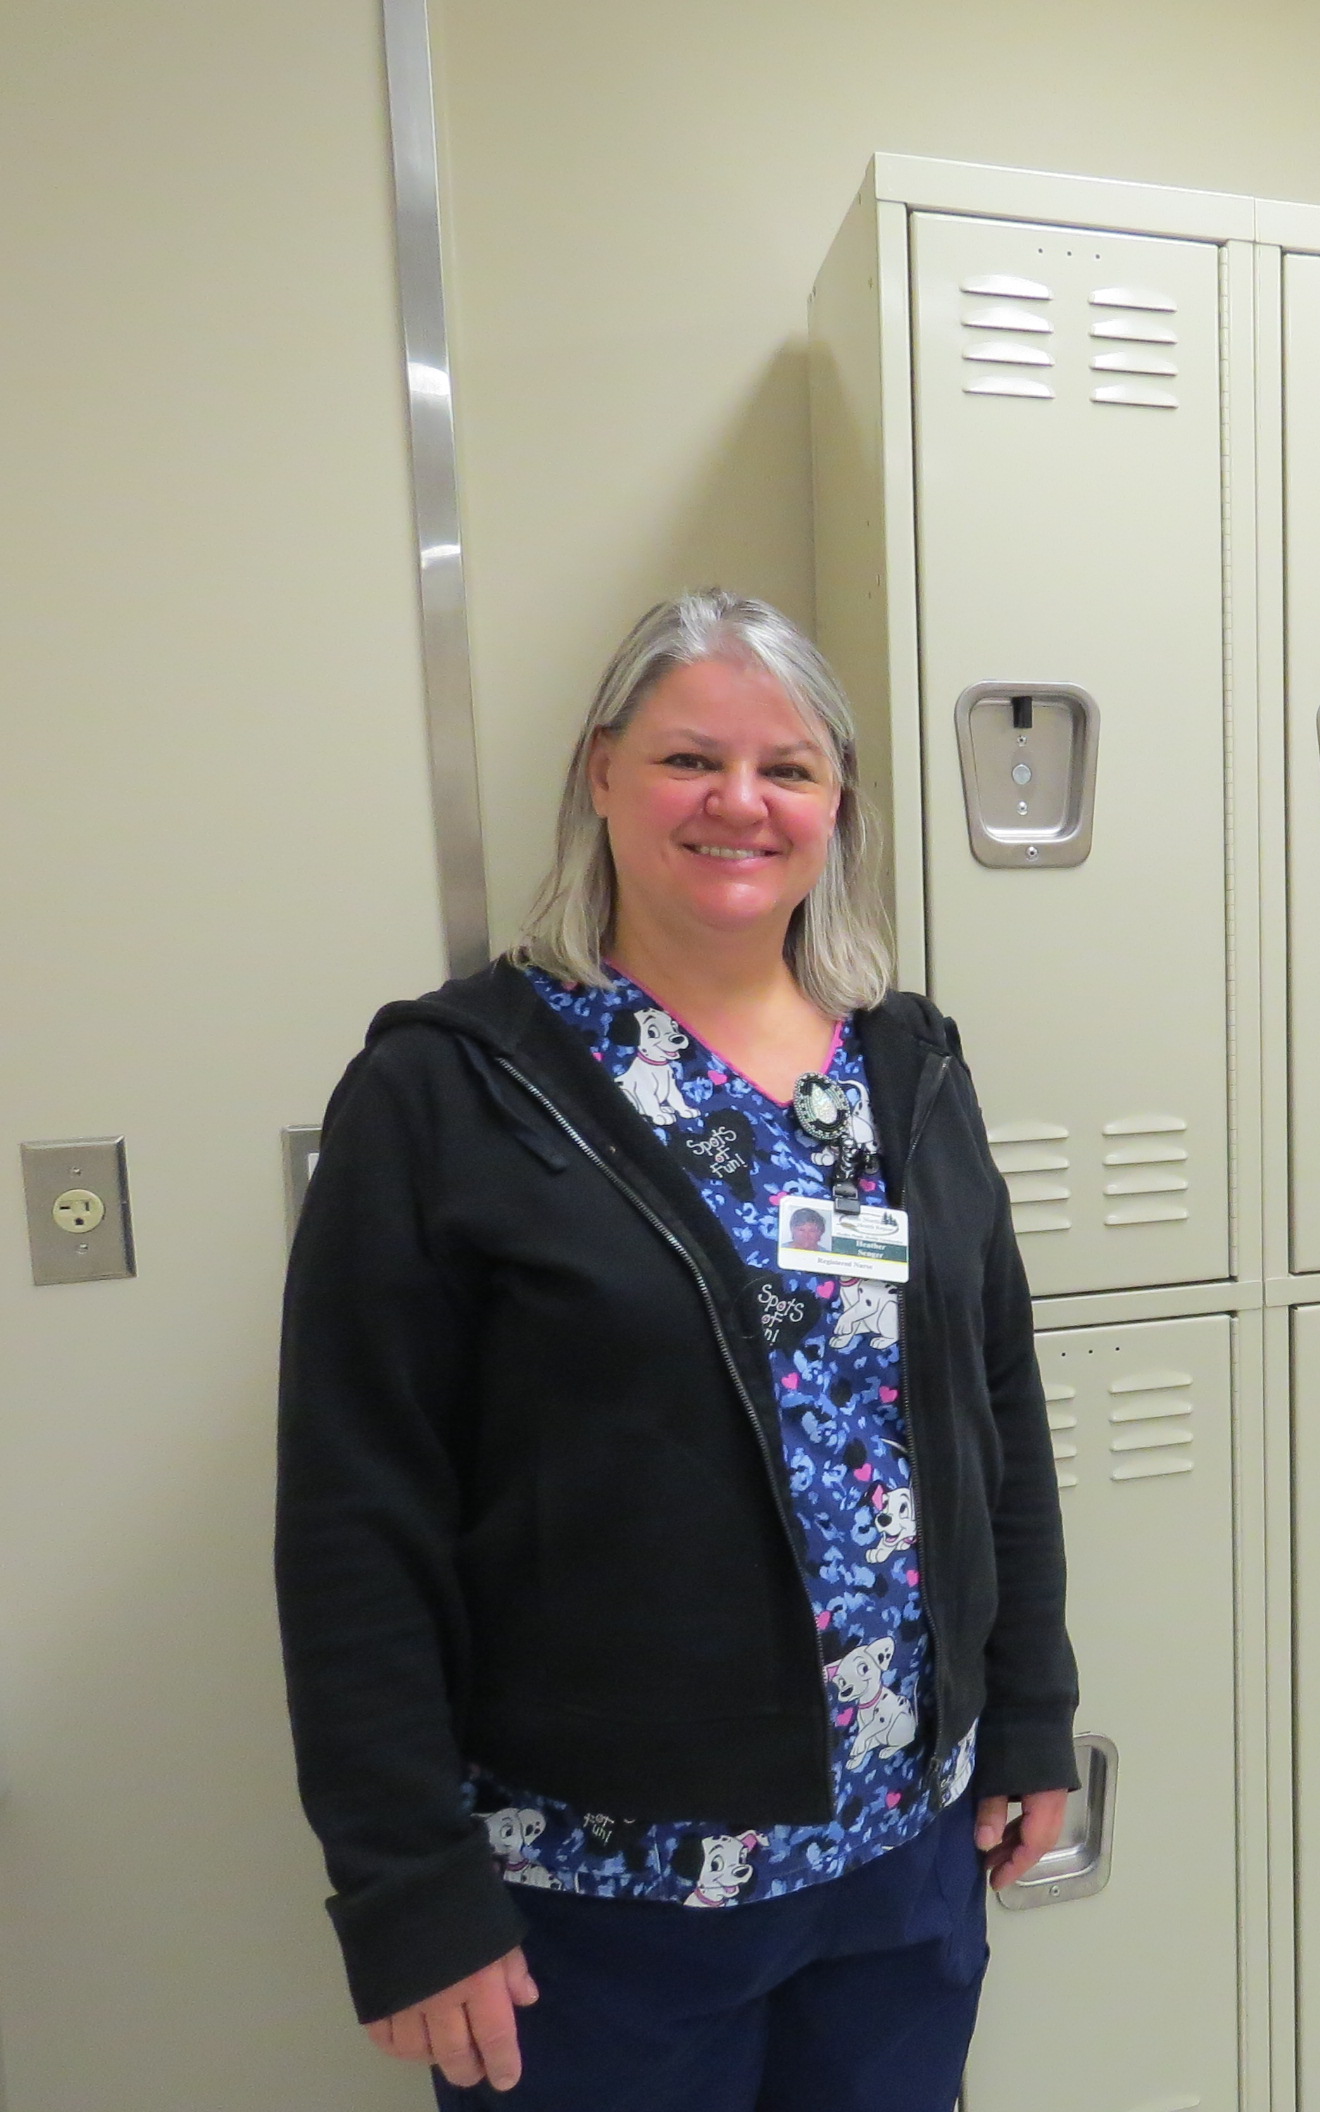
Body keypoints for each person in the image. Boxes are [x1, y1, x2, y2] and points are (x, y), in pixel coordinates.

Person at [276, 590, 1076, 2108]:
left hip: (899, 1865)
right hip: (594, 1897)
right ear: (598, 774)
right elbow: (353, 1518)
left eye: (787, 768)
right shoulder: (450, 1093)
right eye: (688, 759)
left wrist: (1028, 1712)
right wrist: (405, 1887)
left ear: (836, 805)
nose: (740, 804)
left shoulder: (907, 1069)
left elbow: (997, 1413)